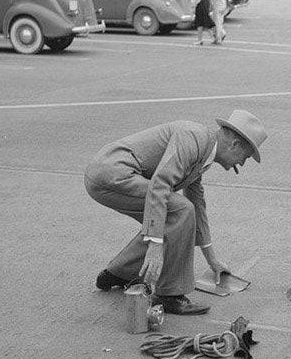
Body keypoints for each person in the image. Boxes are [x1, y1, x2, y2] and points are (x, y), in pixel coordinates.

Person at [85, 110, 267, 315]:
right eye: (245, 156)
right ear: (234, 144)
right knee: (180, 210)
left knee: (177, 213)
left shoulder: (203, 150)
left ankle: (118, 273)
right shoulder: (193, 138)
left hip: (109, 176)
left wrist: (211, 259)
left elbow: (198, 204)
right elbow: (160, 185)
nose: (242, 164)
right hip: (112, 174)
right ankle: (169, 295)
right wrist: (155, 243)